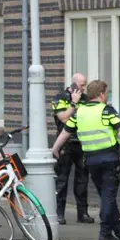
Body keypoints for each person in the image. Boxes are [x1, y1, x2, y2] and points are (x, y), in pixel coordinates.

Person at [50, 80, 120, 240]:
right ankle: (104, 234)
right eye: (107, 93)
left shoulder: (79, 112)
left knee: (106, 196)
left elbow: (65, 132)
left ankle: (119, 232)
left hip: (91, 160)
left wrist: (55, 148)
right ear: (102, 94)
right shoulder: (106, 110)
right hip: (110, 158)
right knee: (108, 197)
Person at [51, 73, 94, 225]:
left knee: (82, 180)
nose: (84, 88)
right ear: (74, 84)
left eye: (85, 84)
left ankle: (82, 213)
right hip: (65, 145)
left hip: (82, 144)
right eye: (82, 85)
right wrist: (74, 104)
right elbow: (63, 118)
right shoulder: (60, 97)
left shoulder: (86, 98)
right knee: (62, 180)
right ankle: (59, 213)